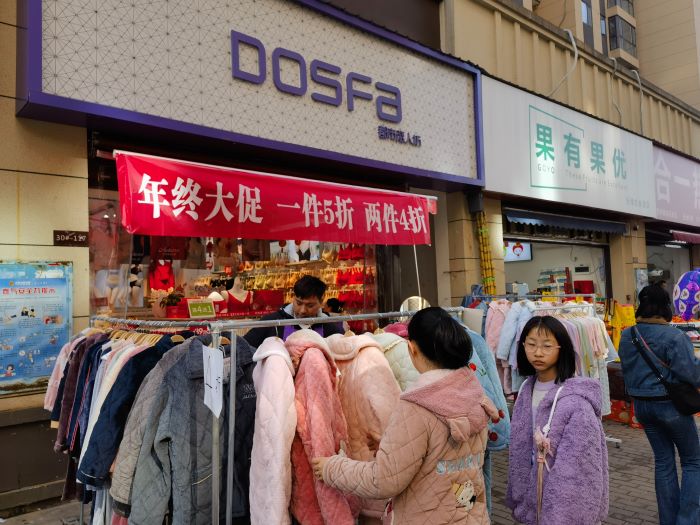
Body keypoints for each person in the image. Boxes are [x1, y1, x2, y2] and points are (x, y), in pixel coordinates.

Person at [311, 307, 499, 524]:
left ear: (411, 348)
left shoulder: (418, 405)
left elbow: (383, 480)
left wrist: (332, 468)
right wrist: (390, 445)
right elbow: (444, 454)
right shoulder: (473, 393)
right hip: (471, 516)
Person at [506, 315, 608, 525]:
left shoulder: (577, 401)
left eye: (547, 346)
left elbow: (577, 468)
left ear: (562, 348)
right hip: (531, 500)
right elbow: (520, 449)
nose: (538, 352)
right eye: (531, 344)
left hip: (562, 509)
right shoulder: (526, 389)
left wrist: (559, 515)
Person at [618, 284, 700, 525]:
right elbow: (692, 374)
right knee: (693, 461)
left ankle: (669, 519)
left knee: (664, 462)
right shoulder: (674, 337)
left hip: (642, 407)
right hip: (671, 406)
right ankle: (688, 520)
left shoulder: (628, 335)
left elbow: (626, 369)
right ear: (665, 306)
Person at [243, 275, 343, 347]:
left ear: (321, 302)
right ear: (293, 298)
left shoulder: (330, 328)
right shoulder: (271, 322)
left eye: (310, 305)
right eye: (299, 303)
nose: (303, 310)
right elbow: (244, 347)